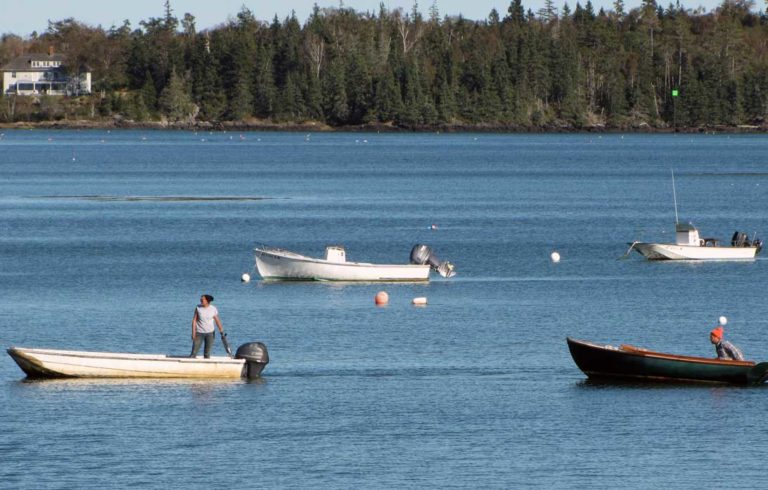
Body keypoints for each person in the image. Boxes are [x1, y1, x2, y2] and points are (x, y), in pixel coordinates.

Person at [190, 294, 225, 359]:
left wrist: (221, 331)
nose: (201, 300)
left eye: (202, 299)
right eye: (201, 299)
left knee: (207, 353)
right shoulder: (198, 307)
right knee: (193, 352)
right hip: (199, 333)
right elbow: (194, 320)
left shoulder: (213, 309)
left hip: (210, 333)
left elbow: (217, 320)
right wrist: (193, 333)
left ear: (207, 301)